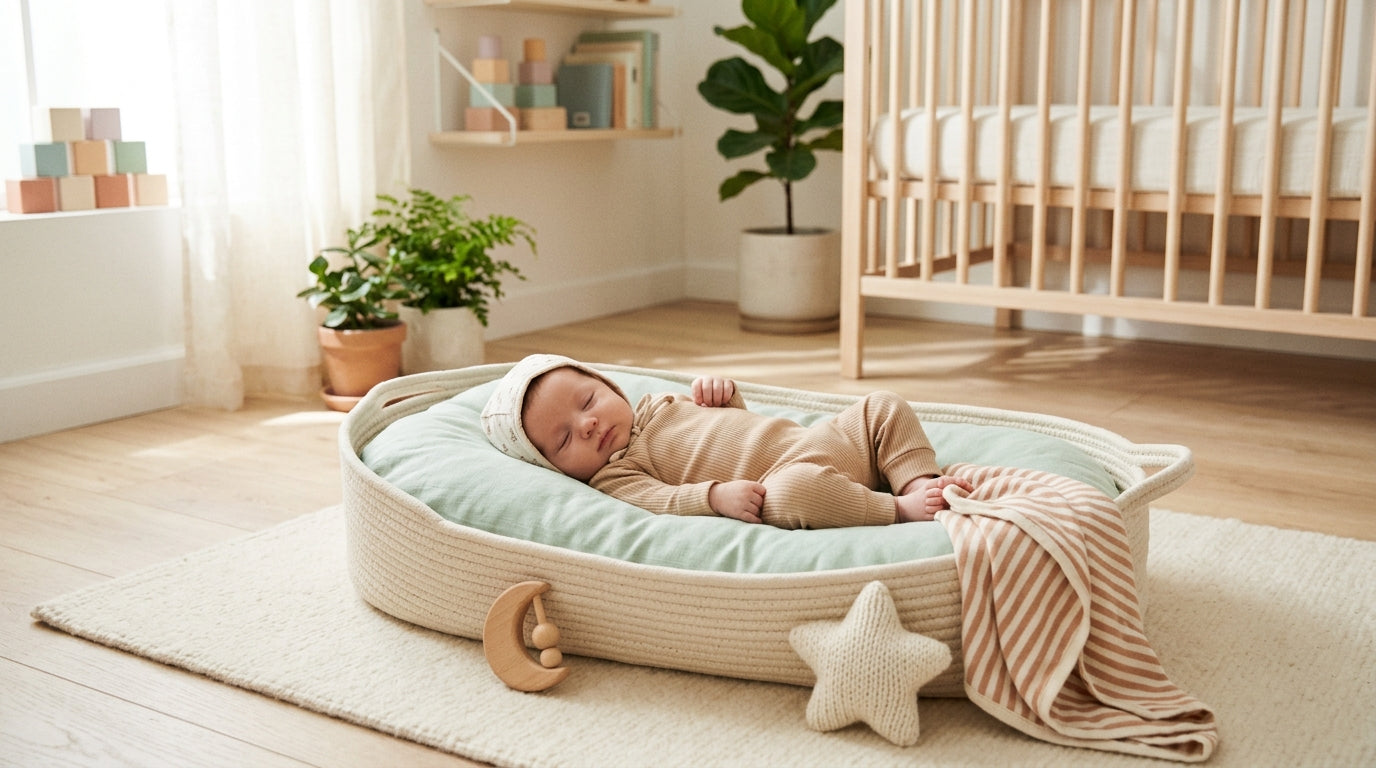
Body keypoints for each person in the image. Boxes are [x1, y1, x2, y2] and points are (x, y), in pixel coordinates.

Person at [481, 354, 972, 529]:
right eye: (565, 438)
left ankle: (915, 483)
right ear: (555, 469)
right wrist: (714, 497)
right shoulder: (615, 476)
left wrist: (725, 398)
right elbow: (664, 501)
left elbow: (740, 427)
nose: (587, 424)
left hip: (819, 441)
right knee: (791, 495)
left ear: (610, 386)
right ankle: (899, 513)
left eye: (588, 400)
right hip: (785, 480)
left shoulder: (658, 404)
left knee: (882, 405)